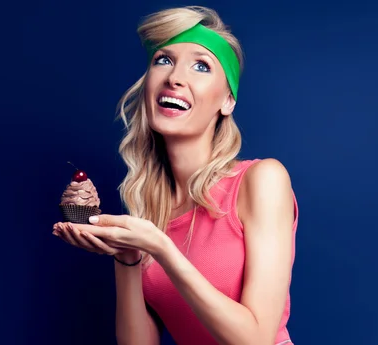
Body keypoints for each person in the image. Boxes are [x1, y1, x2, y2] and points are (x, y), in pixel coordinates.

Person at [52, 6, 298, 345]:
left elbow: (254, 339)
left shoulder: (262, 180)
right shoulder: (149, 210)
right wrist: (126, 258)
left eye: (201, 65)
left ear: (228, 100)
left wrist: (163, 251)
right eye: (163, 60)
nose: (174, 77)